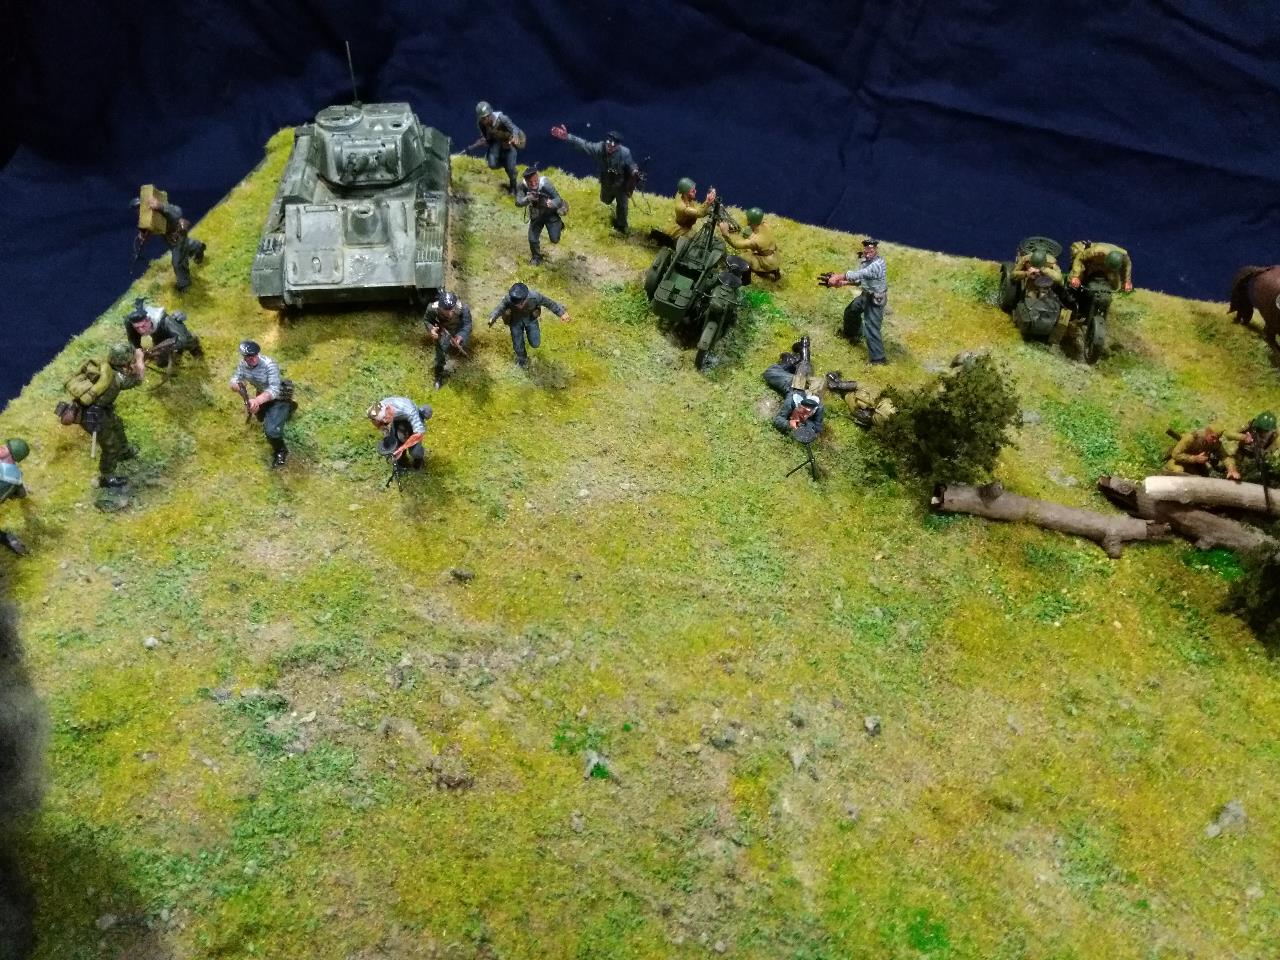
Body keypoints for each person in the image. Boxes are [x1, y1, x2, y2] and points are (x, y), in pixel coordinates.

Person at [61, 343, 145, 488]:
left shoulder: (102, 366)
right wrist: (140, 360)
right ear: (126, 361)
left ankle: (124, 452)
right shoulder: (118, 379)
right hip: (94, 416)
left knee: (117, 425)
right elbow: (138, 379)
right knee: (110, 446)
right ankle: (107, 477)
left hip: (100, 409)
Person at [549, 125, 638, 232]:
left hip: (621, 185)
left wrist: (634, 172)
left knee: (623, 206)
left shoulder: (625, 153)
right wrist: (567, 136)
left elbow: (631, 165)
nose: (610, 147)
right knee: (605, 200)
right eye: (608, 143)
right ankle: (611, 206)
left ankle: (621, 226)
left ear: (618, 146)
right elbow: (584, 144)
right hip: (607, 182)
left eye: (613, 145)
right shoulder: (599, 148)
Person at [822, 238, 889, 365]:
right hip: (866, 295)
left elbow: (860, 274)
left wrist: (839, 276)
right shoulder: (867, 262)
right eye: (866, 250)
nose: (867, 253)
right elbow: (861, 280)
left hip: (875, 299)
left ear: (876, 250)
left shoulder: (877, 265)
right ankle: (852, 334)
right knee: (851, 311)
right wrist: (843, 283)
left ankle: (878, 359)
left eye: (870, 250)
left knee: (871, 327)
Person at [228, 340, 295, 467]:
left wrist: (257, 401)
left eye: (255, 355)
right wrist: (235, 385)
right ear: (244, 357)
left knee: (272, 431)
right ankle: (285, 410)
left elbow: (274, 390)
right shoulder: (243, 365)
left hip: (279, 397)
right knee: (260, 417)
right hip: (262, 394)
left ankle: (281, 451)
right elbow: (236, 378)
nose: (253, 359)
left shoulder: (269, 364)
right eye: (249, 357)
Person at [487, 282, 571, 369]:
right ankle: (522, 360)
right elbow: (499, 308)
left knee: (535, 343)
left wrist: (561, 313)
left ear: (526, 298)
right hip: (515, 322)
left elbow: (549, 303)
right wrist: (492, 318)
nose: (519, 306)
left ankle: (527, 338)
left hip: (531, 320)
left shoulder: (535, 297)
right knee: (518, 345)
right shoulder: (508, 299)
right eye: (516, 304)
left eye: (521, 304)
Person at [142, 194, 206, 291]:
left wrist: (160, 206)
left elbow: (178, 212)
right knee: (187, 246)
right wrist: (145, 232)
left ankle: (184, 284)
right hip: (170, 239)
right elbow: (155, 225)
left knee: (178, 262)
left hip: (178, 237)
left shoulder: (164, 207)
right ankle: (198, 246)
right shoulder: (150, 213)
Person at [123, 297, 203, 375]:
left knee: (188, 341)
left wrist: (158, 349)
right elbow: (133, 341)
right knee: (161, 363)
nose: (141, 331)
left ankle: (194, 347)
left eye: (143, 326)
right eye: (137, 328)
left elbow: (182, 339)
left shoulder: (166, 321)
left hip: (167, 330)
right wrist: (139, 358)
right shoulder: (130, 323)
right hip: (157, 334)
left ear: (148, 320)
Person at [763, 346, 825, 443]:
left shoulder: (818, 408)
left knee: (805, 371)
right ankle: (789, 361)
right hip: (794, 385)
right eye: (802, 413)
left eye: (807, 414)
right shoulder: (792, 401)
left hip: (807, 386)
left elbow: (818, 427)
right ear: (798, 406)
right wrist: (790, 424)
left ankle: (801, 352)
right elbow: (778, 419)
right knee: (770, 373)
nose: (803, 416)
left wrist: (805, 428)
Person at [515, 164, 568, 265]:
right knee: (532, 238)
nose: (533, 184)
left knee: (555, 239)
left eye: (535, 181)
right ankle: (536, 257)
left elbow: (558, 199)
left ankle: (559, 224)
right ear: (526, 181)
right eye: (530, 182)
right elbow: (518, 202)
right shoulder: (522, 186)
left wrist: (552, 204)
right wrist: (528, 199)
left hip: (550, 214)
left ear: (538, 177)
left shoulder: (545, 184)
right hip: (536, 214)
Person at [422, 291, 473, 389]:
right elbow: (427, 320)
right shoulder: (432, 309)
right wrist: (431, 329)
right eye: (446, 310)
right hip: (443, 332)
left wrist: (461, 336)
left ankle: (459, 356)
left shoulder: (463, 308)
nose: (449, 313)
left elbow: (467, 325)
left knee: (461, 346)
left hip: (458, 330)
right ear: (440, 307)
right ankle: (438, 376)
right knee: (440, 355)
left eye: (451, 309)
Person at [470, 101, 525, 193]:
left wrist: (515, 136)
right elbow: (485, 135)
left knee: (511, 168)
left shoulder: (502, 118)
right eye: (482, 118)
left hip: (508, 142)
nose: (484, 120)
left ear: (490, 114)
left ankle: (513, 185)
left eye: (486, 117)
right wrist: (485, 141)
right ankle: (504, 162)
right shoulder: (481, 123)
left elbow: (514, 128)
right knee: (492, 164)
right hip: (496, 142)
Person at [367, 397, 431, 471]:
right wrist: (384, 429)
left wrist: (402, 448)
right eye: (381, 420)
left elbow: (419, 434)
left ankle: (419, 460)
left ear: (388, 408)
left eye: (384, 417)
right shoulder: (378, 408)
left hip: (409, 418)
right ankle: (402, 461)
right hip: (396, 419)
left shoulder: (409, 411)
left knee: (415, 451)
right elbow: (374, 420)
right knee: (395, 443)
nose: (384, 421)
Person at [718, 208, 780, 281]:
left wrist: (726, 234)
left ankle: (746, 279)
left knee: (743, 257)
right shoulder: (766, 225)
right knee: (748, 236)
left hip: (767, 263)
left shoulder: (756, 240)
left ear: (750, 221)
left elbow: (736, 245)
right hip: (776, 256)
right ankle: (776, 272)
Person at [653, 178, 717, 245]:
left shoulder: (682, 193)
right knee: (695, 242)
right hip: (681, 230)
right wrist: (707, 202)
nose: (695, 191)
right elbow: (699, 213)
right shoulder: (684, 208)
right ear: (686, 193)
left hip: (683, 224)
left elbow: (681, 188)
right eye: (692, 191)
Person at [824, 372, 897, 430]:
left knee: (855, 394)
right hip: (880, 407)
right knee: (857, 393)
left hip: (876, 411)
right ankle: (838, 383)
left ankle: (837, 384)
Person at [1226, 411, 1278, 484]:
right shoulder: (1249, 424)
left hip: (1259, 455)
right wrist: (1243, 437)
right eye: (1259, 430)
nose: (1262, 433)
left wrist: (1265, 452)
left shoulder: (1275, 435)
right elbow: (1228, 434)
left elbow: (1273, 448)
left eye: (1265, 431)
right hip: (1242, 451)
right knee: (1233, 462)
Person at [1164, 426, 1234, 479]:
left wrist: (1231, 468)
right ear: (1207, 432)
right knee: (1179, 471)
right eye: (1213, 437)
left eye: (1217, 438)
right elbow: (1175, 455)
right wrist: (1194, 458)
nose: (1215, 441)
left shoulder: (1215, 443)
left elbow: (1225, 456)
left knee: (1202, 477)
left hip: (1193, 465)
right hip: (1177, 461)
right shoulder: (1192, 437)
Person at [0, 438, 30, 555]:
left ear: (11, 456)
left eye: (5, 448)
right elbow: (21, 493)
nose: (1, 447)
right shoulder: (16, 476)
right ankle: (9, 539)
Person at [1068, 241, 1133, 292]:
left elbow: (1127, 267)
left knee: (1116, 286)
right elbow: (1079, 258)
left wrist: (1127, 281)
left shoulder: (1124, 256)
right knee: (1076, 277)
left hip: (1105, 262)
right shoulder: (1095, 251)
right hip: (1091, 259)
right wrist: (1076, 276)